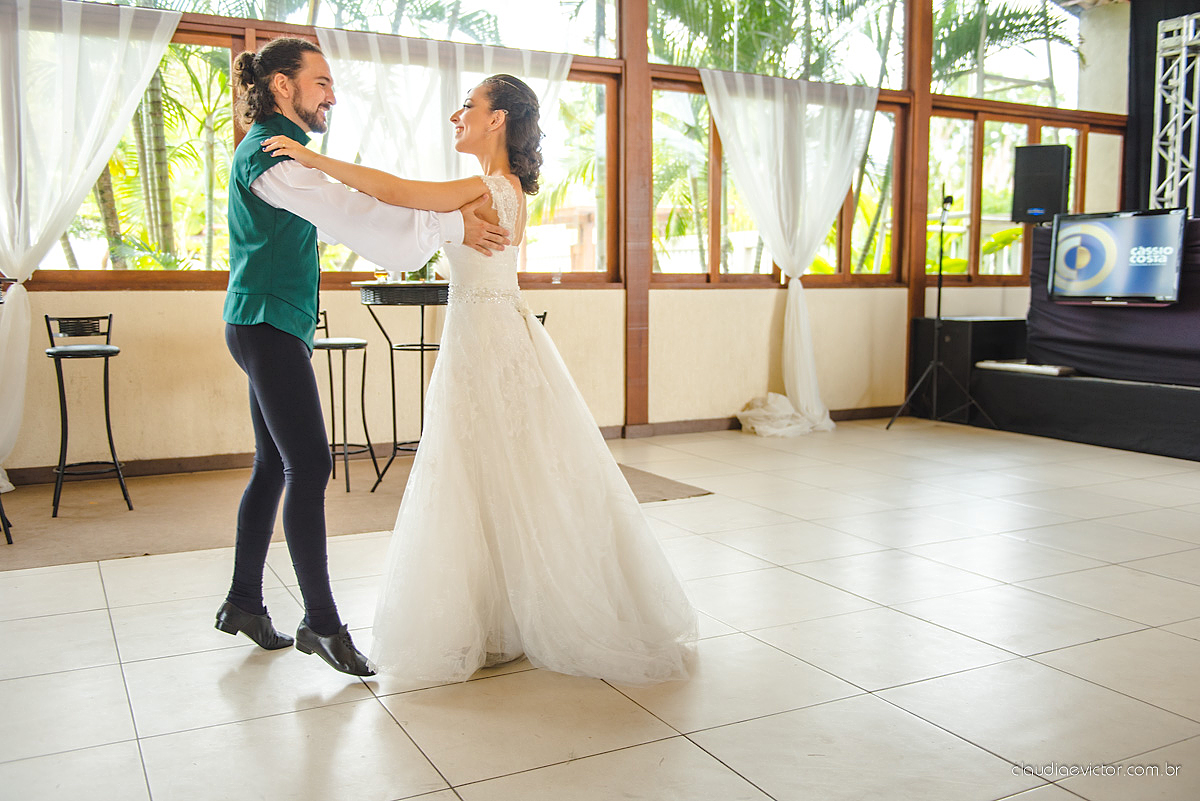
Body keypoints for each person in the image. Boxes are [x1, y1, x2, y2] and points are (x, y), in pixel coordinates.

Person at [262, 74, 697, 686]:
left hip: (486, 338)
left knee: (483, 464)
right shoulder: (501, 189)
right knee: (500, 468)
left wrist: (312, 159)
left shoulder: (489, 187)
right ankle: (505, 610)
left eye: (468, 105)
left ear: (497, 119)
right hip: (489, 329)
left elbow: (396, 192)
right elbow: (407, 211)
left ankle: (511, 614)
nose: (455, 115)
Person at [214, 37, 509, 678]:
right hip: (265, 324)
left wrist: (435, 225)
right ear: (284, 86)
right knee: (310, 465)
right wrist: (452, 226)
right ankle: (321, 623)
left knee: (273, 466)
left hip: (264, 323)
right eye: (321, 82)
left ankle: (243, 602)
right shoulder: (272, 155)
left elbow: (352, 208)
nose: (332, 95)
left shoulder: (282, 151)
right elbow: (350, 213)